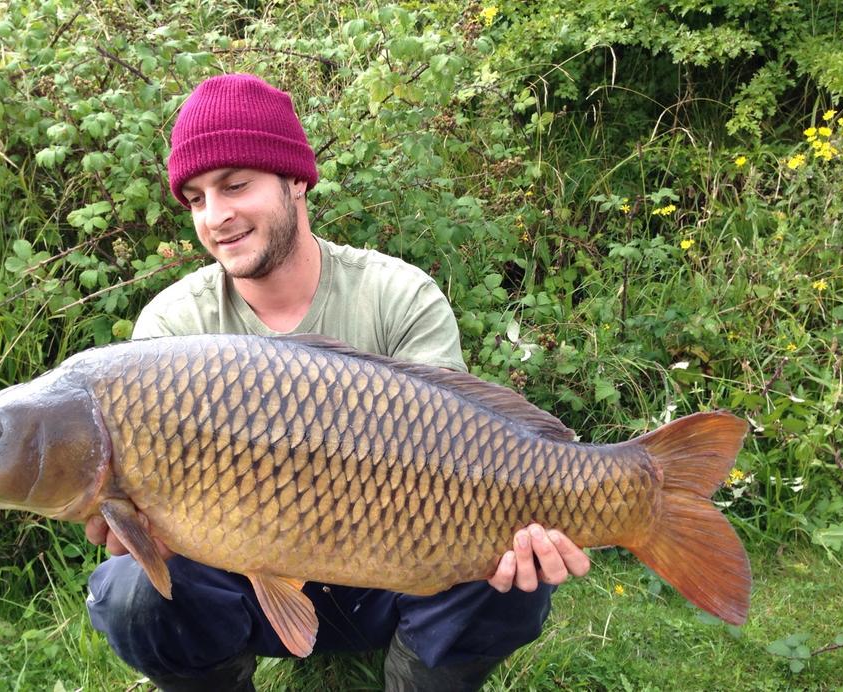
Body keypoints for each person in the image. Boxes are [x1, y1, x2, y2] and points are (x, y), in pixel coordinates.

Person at [84, 73, 590, 691]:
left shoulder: (398, 295)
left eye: (235, 185)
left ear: (296, 180)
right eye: (195, 198)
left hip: (399, 574)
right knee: (130, 592)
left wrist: (559, 499)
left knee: (511, 575)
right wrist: (140, 534)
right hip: (243, 586)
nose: (215, 217)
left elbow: (466, 454)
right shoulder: (172, 330)